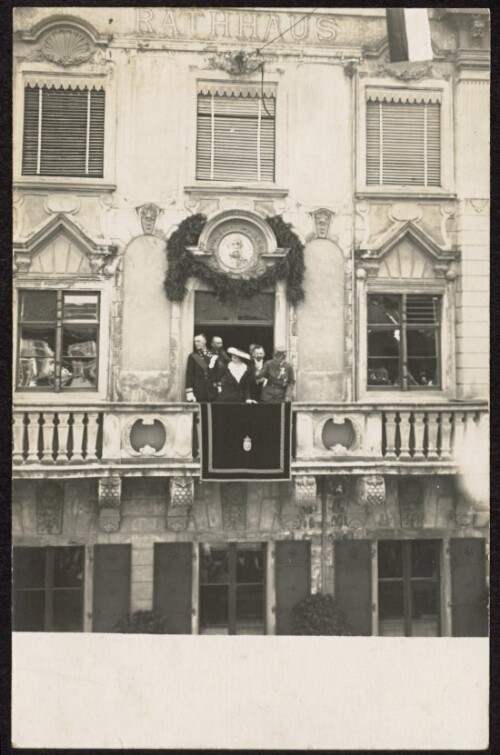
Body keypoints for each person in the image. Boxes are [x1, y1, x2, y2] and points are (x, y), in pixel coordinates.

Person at [185, 333, 218, 403]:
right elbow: (189, 375)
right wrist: (189, 392)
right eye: (195, 341)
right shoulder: (193, 356)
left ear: (205, 341)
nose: (196, 343)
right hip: (198, 390)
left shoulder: (213, 355)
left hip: (211, 391)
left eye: (198, 341)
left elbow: (217, 374)